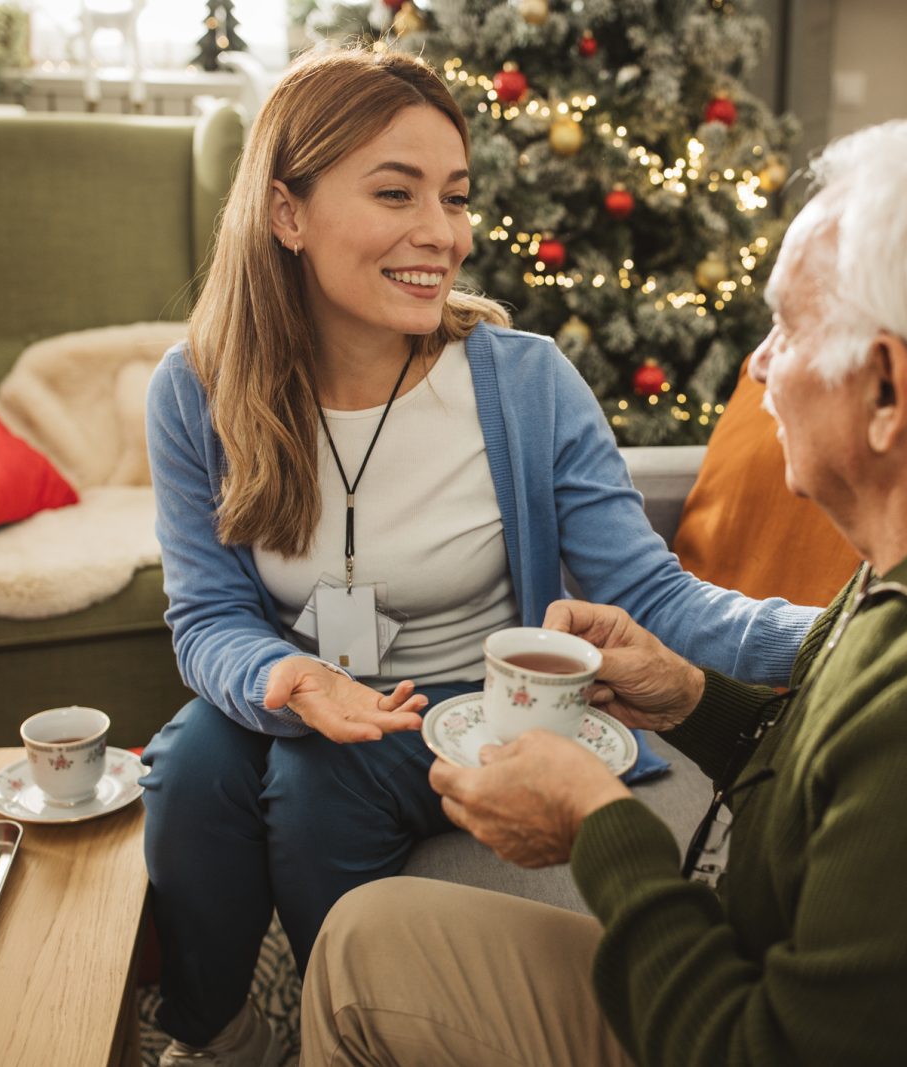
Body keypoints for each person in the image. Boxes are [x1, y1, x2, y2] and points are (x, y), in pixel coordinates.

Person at [302, 116, 907, 1066]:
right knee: (369, 933)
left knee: (354, 964)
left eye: (788, 327)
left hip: (748, 1026)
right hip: (764, 969)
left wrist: (599, 823)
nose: (757, 367)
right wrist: (691, 698)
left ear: (887, 392)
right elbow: (857, 770)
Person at [140, 48, 817, 1067]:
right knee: (187, 768)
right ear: (288, 213)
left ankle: (360, 1026)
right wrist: (287, 674)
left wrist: (846, 630)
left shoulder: (524, 384)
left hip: (472, 701)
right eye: (394, 192)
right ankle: (219, 1029)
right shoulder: (195, 389)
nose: (442, 234)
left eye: (454, 198)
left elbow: (651, 596)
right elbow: (206, 617)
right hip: (311, 687)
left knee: (324, 780)